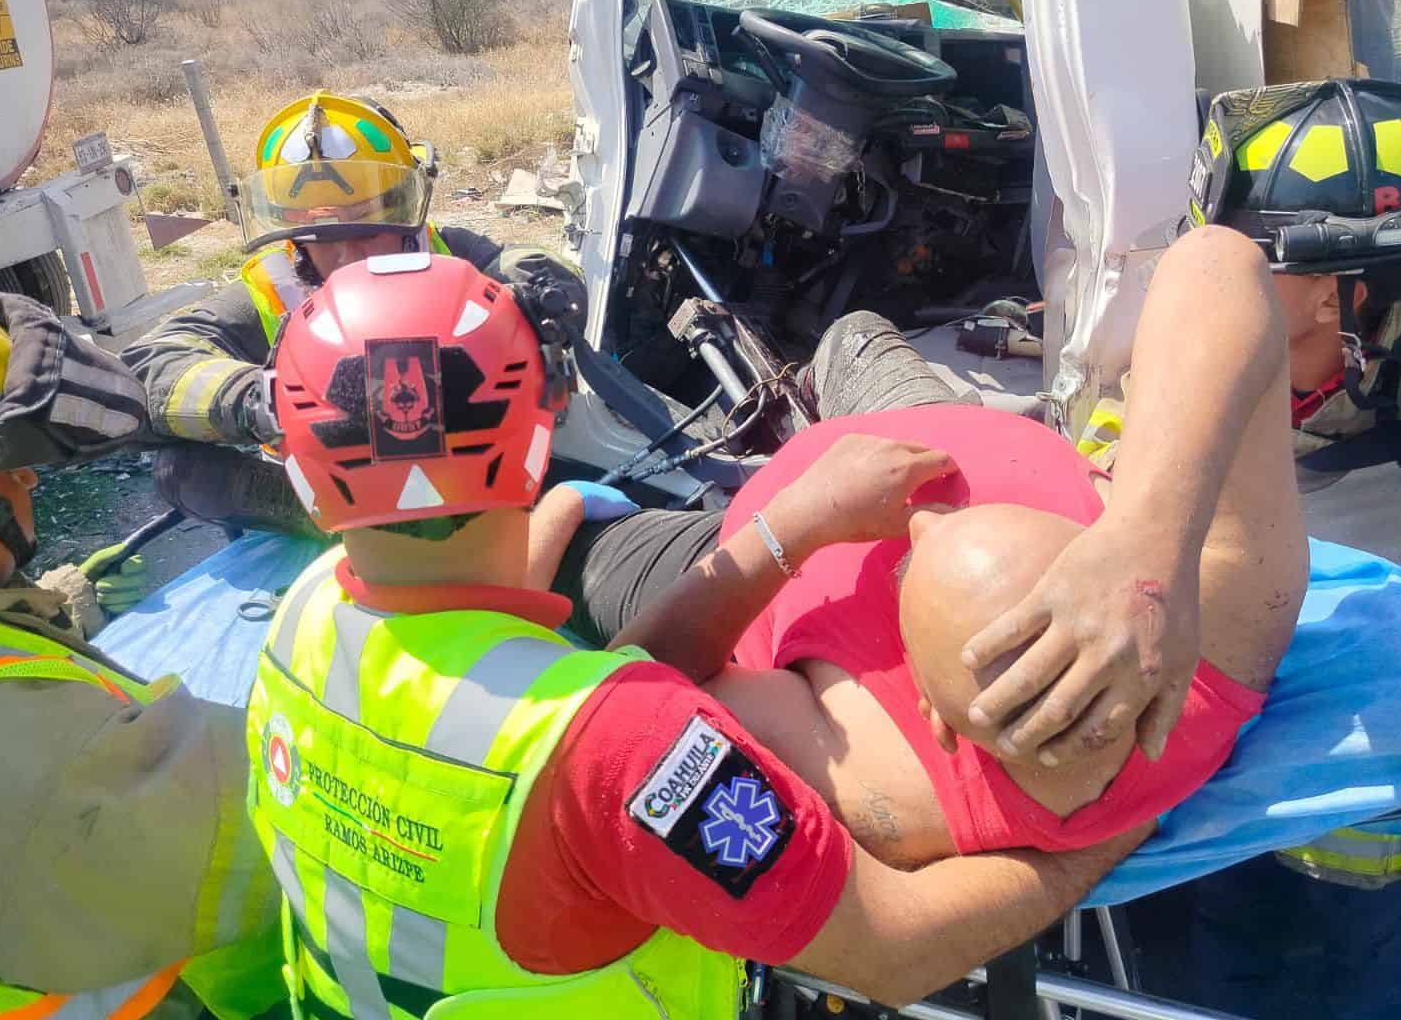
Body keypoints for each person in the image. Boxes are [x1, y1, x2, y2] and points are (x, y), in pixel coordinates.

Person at [248, 253, 1151, 1019]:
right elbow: (896, 949)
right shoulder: (630, 749)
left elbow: (558, 714)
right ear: (541, 425)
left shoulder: (304, 619)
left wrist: (786, 532)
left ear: (300, 471)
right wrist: (1116, 822)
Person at [1059, 77, 1401, 1020]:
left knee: (1375, 986)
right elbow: (1097, 484)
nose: (1214, 274)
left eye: (1253, 261)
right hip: (1224, 799)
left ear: (1335, 290)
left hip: (1385, 832)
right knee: (1218, 972)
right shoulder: (1185, 381)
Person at [603, 221, 1306, 869]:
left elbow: (621, 698)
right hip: (913, 428)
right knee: (851, 334)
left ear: (935, 720)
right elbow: (1219, 260)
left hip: (742, 549)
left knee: (589, 536)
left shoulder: (887, 783)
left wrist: (802, 520)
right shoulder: (1219, 636)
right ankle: (807, 393)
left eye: (911, 563)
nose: (918, 519)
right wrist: (1150, 546)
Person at [0, 295, 282, 1020]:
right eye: (3, 466)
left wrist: (57, 605)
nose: (26, 479)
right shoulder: (47, 759)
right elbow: (289, 827)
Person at [122, 91, 582, 537]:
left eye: (366, 226)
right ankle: (355, 531)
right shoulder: (275, 285)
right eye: (323, 235)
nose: (347, 257)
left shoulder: (454, 256)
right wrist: (267, 399)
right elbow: (147, 368)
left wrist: (533, 291)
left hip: (473, 475)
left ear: (403, 212)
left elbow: (550, 281)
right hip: (334, 488)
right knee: (180, 471)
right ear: (294, 230)